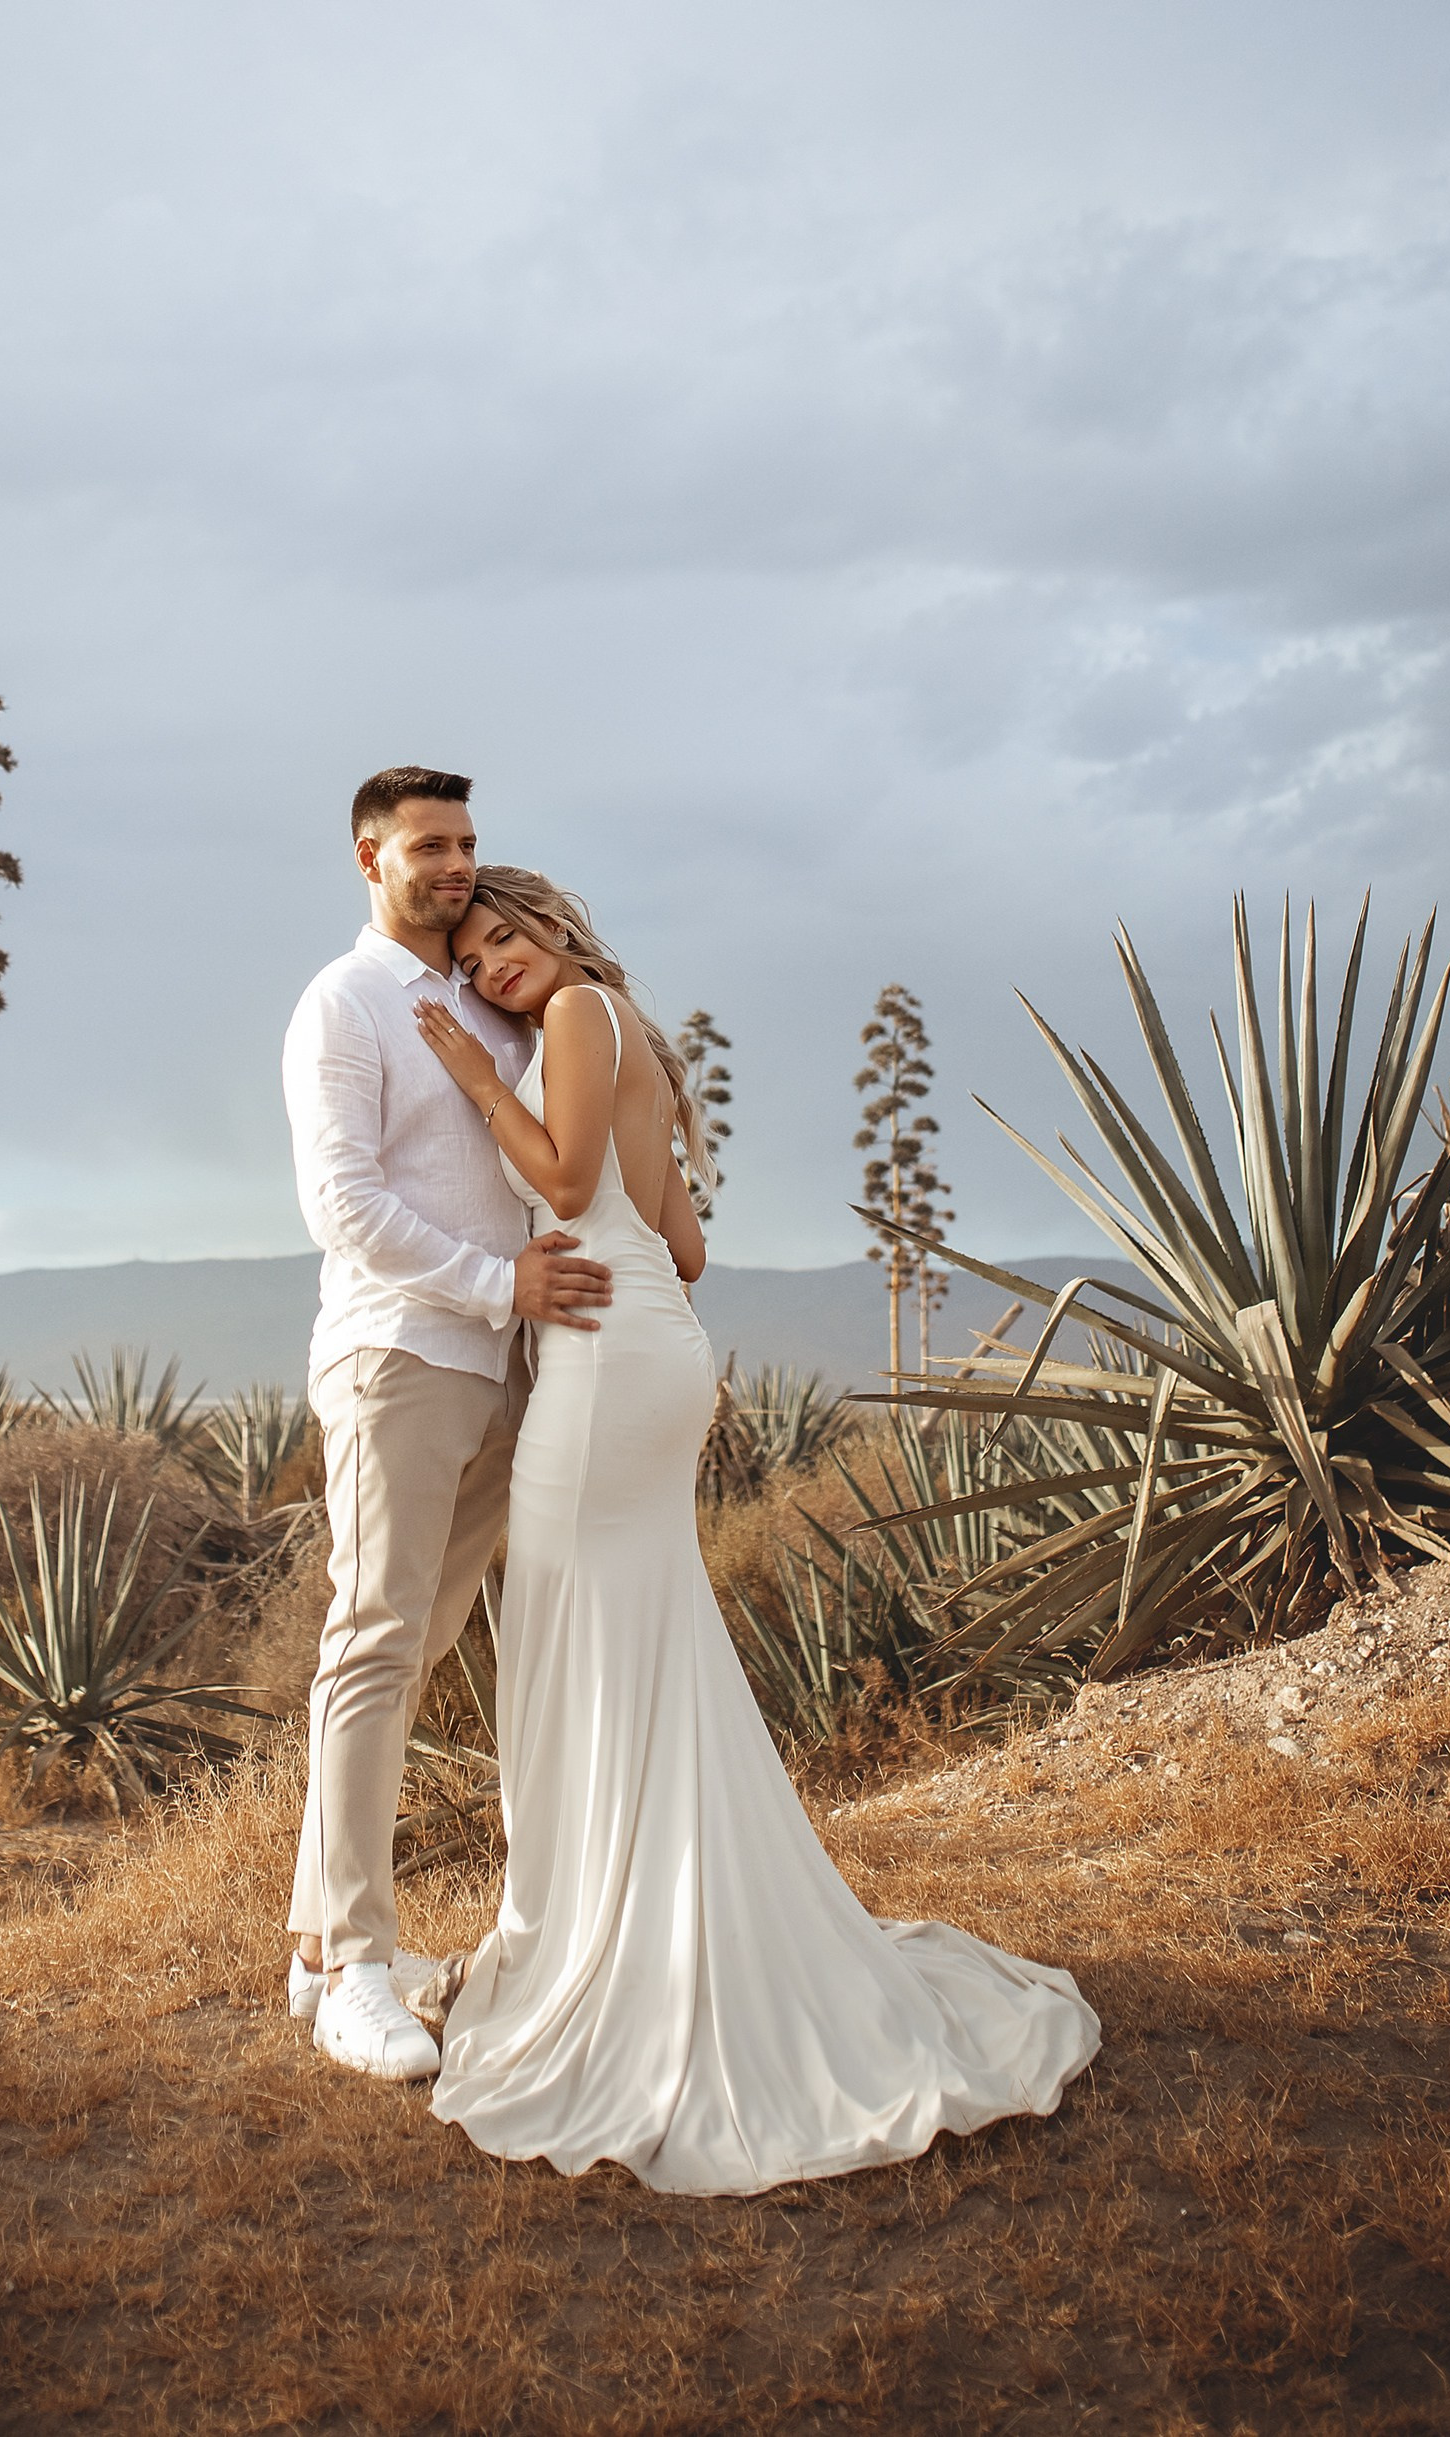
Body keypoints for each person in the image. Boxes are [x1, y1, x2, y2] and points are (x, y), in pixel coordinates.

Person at [411, 865, 1102, 2194]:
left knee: (576, 1639)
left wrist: (470, 1075)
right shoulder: (631, 1034)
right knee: (636, 1638)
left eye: (506, 936)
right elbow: (684, 1246)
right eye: (473, 956)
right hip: (657, 1344)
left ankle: (603, 1954)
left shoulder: (569, 1019)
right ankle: (638, 1922)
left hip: (609, 1366)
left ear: (553, 928)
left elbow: (559, 1175)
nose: (493, 965)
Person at [282, 770, 614, 2082]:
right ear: (370, 856)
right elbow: (343, 1203)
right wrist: (498, 1285)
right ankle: (359, 1962)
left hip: (504, 1365)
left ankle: (318, 1949)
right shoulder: (343, 1002)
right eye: (430, 843)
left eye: (469, 841)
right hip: (399, 1356)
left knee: (416, 1648)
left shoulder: (486, 995)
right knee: (371, 1641)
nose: (456, 863)